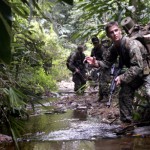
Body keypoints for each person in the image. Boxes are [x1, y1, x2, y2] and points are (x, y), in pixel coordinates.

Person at [85, 21, 150, 124]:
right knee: (125, 91)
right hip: (137, 74)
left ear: (120, 31)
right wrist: (96, 63)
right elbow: (107, 63)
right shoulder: (114, 48)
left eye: (116, 30)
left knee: (149, 93)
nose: (115, 34)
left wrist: (122, 77)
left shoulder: (131, 44)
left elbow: (138, 66)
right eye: (111, 32)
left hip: (147, 72)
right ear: (108, 35)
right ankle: (126, 123)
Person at [90, 36, 111, 102]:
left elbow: (107, 59)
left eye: (96, 43)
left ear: (98, 42)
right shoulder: (93, 50)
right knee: (100, 82)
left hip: (105, 66)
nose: (95, 44)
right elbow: (91, 58)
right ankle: (101, 96)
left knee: (104, 82)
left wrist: (99, 63)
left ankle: (106, 97)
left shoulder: (103, 48)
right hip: (98, 67)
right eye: (94, 43)